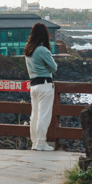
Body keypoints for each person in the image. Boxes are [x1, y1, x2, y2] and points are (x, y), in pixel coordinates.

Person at [24, 22, 57, 151]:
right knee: (44, 114)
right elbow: (54, 68)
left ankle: (34, 142)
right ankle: (41, 142)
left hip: (33, 85)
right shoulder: (42, 50)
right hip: (45, 85)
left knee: (35, 115)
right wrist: (47, 66)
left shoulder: (28, 50)